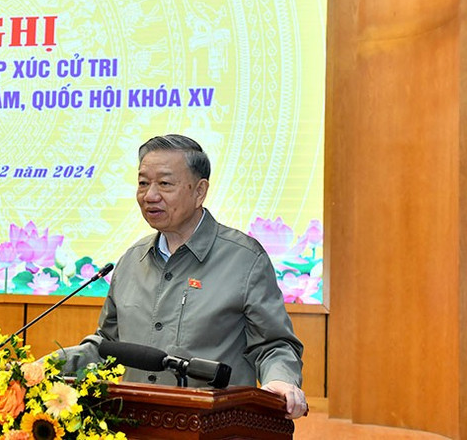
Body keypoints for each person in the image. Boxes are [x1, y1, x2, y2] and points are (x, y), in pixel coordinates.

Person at [59, 134, 307, 419]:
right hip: (133, 424)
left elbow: (274, 344)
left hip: (215, 426)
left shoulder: (244, 259)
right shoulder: (131, 260)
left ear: (199, 191)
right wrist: (46, 368)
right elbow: (108, 346)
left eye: (164, 184)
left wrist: (282, 381)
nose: (150, 195)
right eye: (143, 183)